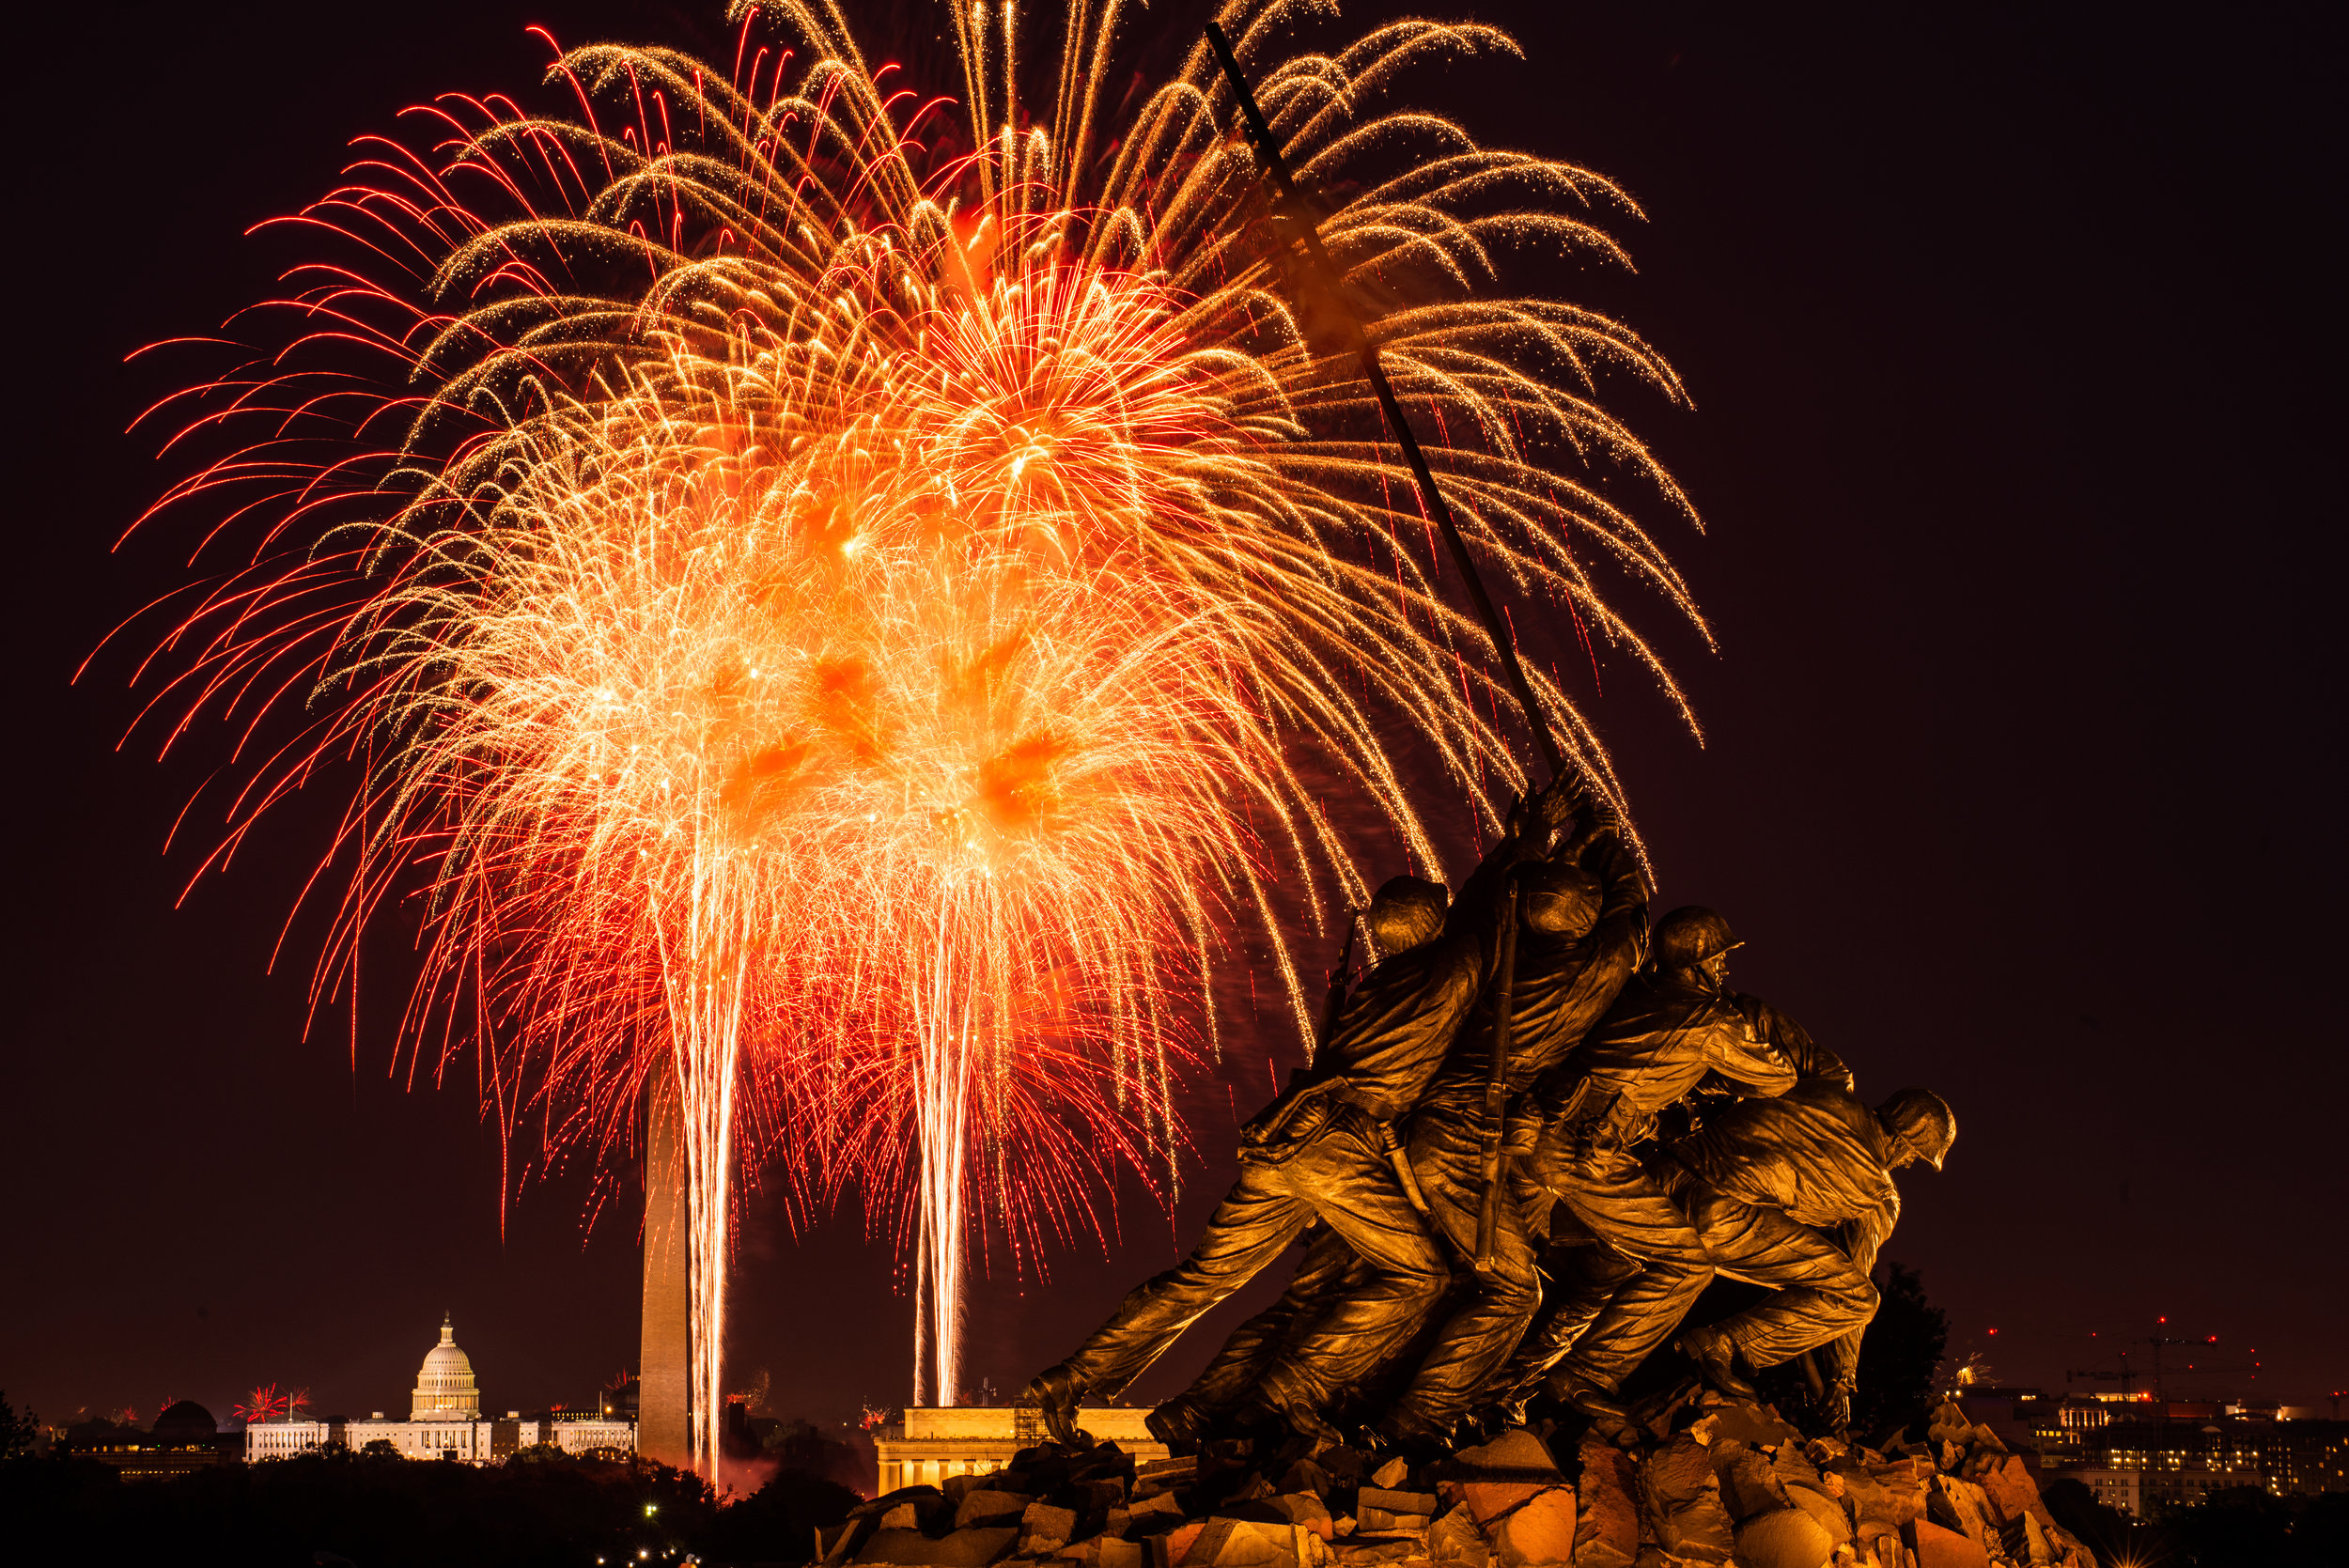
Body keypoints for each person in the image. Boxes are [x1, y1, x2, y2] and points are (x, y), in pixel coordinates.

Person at [1019, 784, 1577, 1444]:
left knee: (1204, 1278)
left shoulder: (1375, 987)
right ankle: (1294, 1391)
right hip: (1336, 1148)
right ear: (1432, 929)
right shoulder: (1444, 973)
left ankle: (1070, 1376)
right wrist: (1524, 842)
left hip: (1284, 1139)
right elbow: (1482, 916)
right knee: (1420, 1274)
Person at [1503, 907, 1847, 1418]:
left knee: (1592, 1277)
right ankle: (1582, 1379)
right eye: (1720, 961)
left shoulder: (1643, 996)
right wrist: (1743, 1029)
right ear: (1699, 963)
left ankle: (1505, 1389)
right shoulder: (1710, 1017)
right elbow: (1774, 1079)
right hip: (1583, 1151)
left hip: (1546, 1135)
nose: (1725, 971)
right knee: (1687, 1264)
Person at [1376, 813, 1648, 1449]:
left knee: (1514, 1268)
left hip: (1457, 1132)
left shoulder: (1497, 958)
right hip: (1464, 1138)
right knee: (1511, 1290)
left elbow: (1487, 903)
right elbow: (1633, 910)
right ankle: (1413, 1421)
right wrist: (1605, 838)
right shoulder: (1588, 974)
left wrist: (1551, 846)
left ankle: (1474, 1399)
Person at [1660, 1082, 1957, 1430]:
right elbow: (1855, 1271)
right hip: (1721, 1217)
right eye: (1913, 1156)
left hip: (1666, 1171)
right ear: (1902, 1139)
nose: (1907, 1164)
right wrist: (1842, 1377)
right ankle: (1720, 1344)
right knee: (1857, 1298)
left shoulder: (1824, 1093)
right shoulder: (1876, 1193)